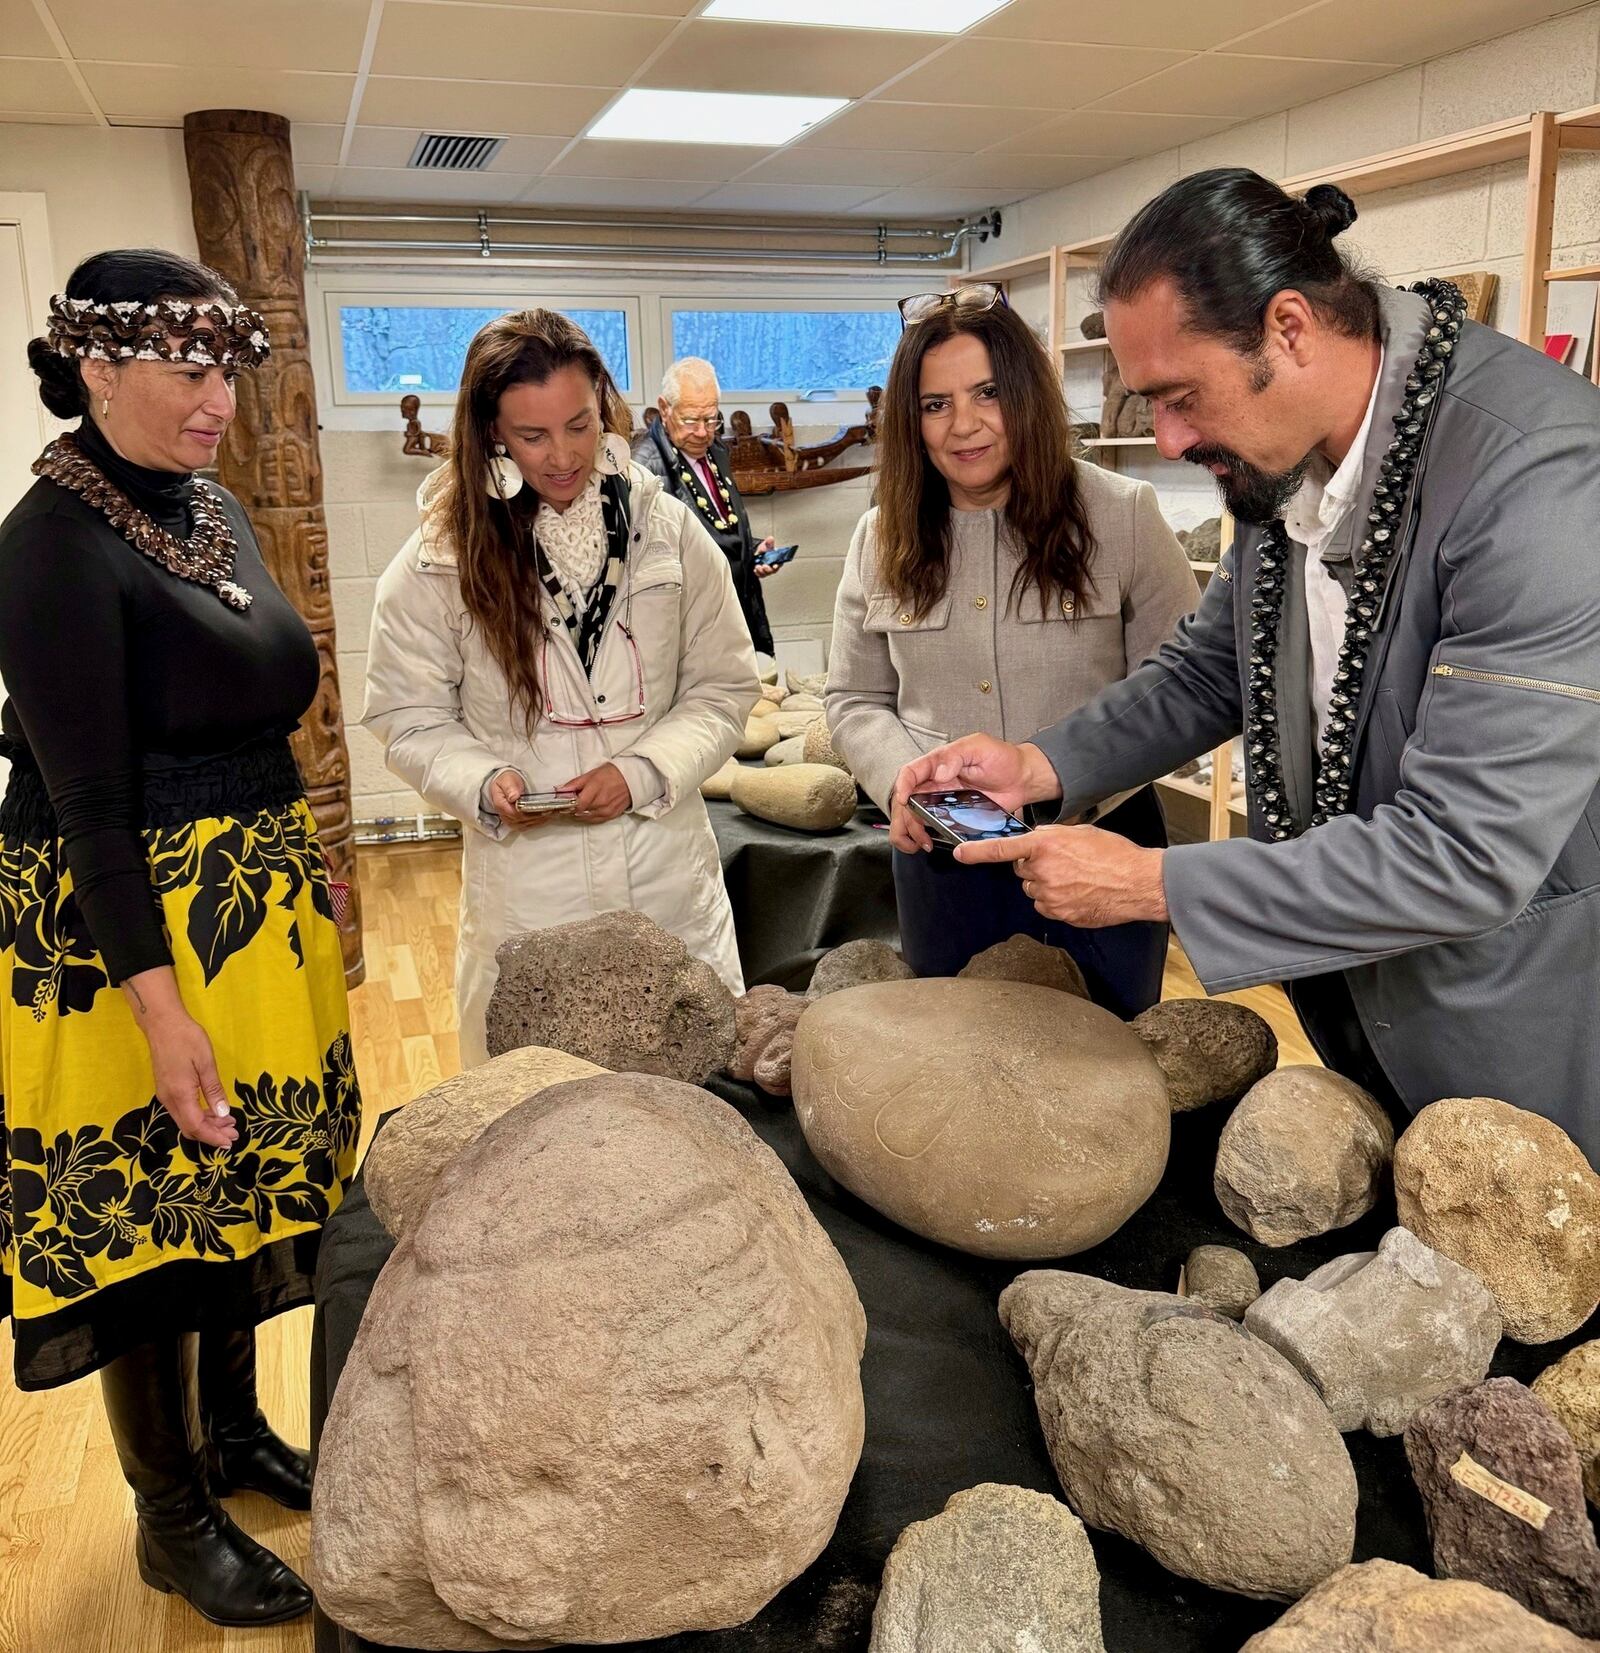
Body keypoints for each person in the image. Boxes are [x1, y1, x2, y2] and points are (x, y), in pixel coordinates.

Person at [892, 169, 1600, 1163]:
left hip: (1526, 1034)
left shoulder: (1538, 479)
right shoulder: (1282, 451)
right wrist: (1037, 767)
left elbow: (1465, 854)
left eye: (1182, 399)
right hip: (1358, 1004)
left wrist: (1158, 886)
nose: (1171, 439)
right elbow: (1212, 671)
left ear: (1292, 328)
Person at [0, 250, 364, 1626]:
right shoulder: (46, 546)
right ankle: (172, 1514)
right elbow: (88, 807)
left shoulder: (208, 510)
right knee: (153, 1214)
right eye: (188, 369)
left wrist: (303, 875)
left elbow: (255, 704)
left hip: (245, 906)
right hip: (121, 938)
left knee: (236, 1186)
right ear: (96, 366)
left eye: (229, 370)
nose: (221, 399)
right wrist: (159, 1011)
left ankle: (232, 1437)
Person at [365, 311, 759, 1067]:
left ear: (605, 409)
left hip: (664, 878)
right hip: (530, 890)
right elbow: (406, 716)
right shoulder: (440, 558)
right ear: (490, 435)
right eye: (532, 436)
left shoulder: (669, 531)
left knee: (692, 1117)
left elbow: (723, 687)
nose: (563, 455)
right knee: (539, 1121)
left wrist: (642, 771)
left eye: (580, 426)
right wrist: (482, 781)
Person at [828, 285, 1197, 1015]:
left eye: (987, 393)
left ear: (1023, 395)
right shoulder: (880, 538)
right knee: (959, 1077)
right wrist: (901, 778)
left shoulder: (1122, 517)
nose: (963, 425)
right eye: (935, 404)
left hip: (1097, 851)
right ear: (911, 419)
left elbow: (1185, 690)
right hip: (944, 864)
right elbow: (853, 699)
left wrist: (1074, 780)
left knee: (1109, 1072)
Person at [632, 357, 782, 657]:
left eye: (711, 419)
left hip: (737, 612)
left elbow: (719, 528)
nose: (702, 431)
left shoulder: (715, 452)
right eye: (690, 420)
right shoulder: (644, 467)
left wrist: (751, 550)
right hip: (691, 631)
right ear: (664, 409)